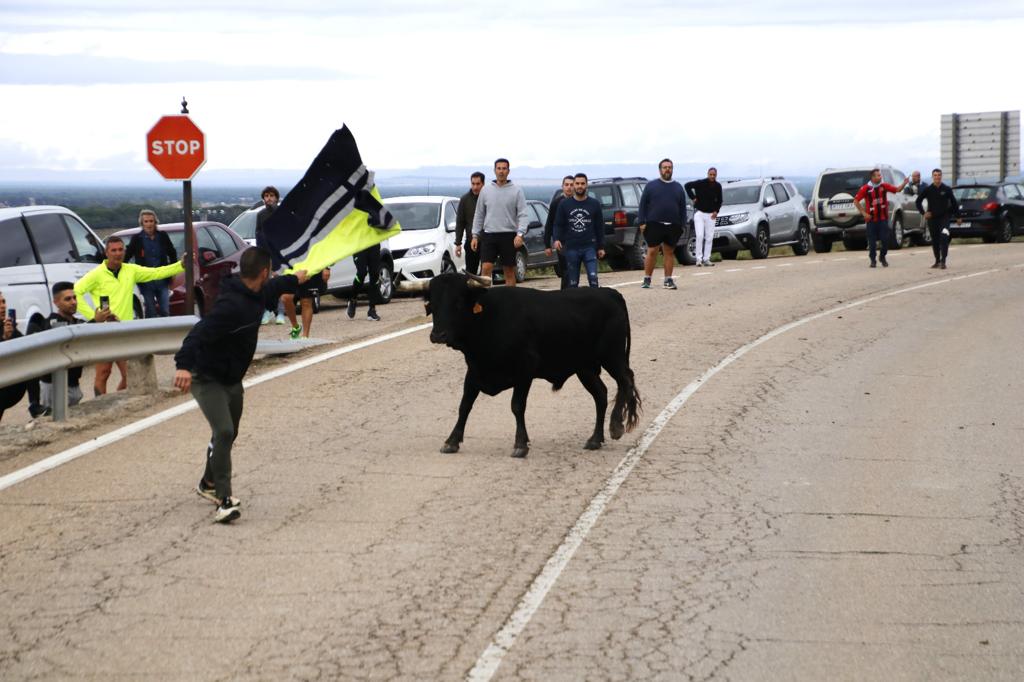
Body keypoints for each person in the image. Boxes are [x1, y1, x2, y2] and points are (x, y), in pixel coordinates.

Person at [173, 247, 308, 523]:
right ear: (263, 271)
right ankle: (224, 500)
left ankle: (207, 482)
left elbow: (280, 284)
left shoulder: (259, 292)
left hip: (232, 379)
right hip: (206, 377)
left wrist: (301, 278)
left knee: (229, 434)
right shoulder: (230, 306)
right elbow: (197, 334)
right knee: (223, 431)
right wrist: (183, 366)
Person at [75, 235, 185, 395]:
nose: (117, 253)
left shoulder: (130, 270)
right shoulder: (96, 274)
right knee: (103, 373)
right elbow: (77, 291)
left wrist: (180, 265)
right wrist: (94, 316)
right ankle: (101, 405)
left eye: (121, 250)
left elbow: (157, 272)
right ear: (106, 252)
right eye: (113, 250)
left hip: (124, 331)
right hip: (104, 332)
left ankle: (116, 401)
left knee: (129, 375)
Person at [26, 281, 115, 412]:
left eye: (74, 298)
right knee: (56, 423)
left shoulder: (78, 322)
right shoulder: (52, 322)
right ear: (56, 302)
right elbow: (69, 334)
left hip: (74, 385)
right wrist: (95, 321)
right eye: (67, 299)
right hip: (55, 385)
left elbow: (89, 335)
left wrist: (110, 323)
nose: (73, 302)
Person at [471, 158, 529, 286]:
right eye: (499, 168)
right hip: (489, 234)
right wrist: (475, 235)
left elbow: (523, 214)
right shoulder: (486, 190)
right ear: (494, 170)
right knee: (485, 268)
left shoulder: (517, 190)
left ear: (508, 171)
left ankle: (510, 301)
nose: (501, 171)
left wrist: (520, 234)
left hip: (508, 235)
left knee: (508, 271)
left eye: (504, 168)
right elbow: (479, 214)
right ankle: (484, 300)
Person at [638, 159, 688, 289]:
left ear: (672, 169)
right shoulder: (651, 186)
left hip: (673, 225)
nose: (667, 169)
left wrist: (682, 225)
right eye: (665, 167)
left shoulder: (678, 187)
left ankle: (668, 280)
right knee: (652, 250)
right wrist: (641, 221)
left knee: (669, 252)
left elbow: (682, 207)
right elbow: (643, 204)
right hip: (654, 223)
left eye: (670, 167)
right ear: (660, 169)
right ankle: (647, 279)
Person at [554, 173, 606, 288]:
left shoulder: (594, 204)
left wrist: (601, 246)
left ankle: (596, 303)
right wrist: (556, 239)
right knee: (573, 282)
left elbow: (599, 227)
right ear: (574, 185)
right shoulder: (564, 204)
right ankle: (574, 305)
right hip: (571, 247)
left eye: (582, 183)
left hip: (589, 247)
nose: (580, 186)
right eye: (577, 183)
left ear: (586, 185)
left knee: (593, 279)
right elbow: (558, 224)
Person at [125, 209, 178, 318]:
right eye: (146, 221)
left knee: (165, 310)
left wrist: (173, 272)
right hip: (146, 281)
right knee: (151, 311)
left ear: (155, 222)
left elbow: (172, 253)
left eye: (151, 221)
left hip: (162, 279)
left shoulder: (162, 236)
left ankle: (166, 332)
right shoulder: (137, 239)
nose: (149, 224)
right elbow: (127, 255)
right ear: (142, 223)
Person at [853, 168, 910, 268]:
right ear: (873, 177)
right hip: (871, 220)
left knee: (885, 240)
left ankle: (882, 256)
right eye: (878, 175)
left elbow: (897, 190)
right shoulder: (866, 188)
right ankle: (873, 260)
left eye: (880, 175)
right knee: (872, 242)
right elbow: (856, 201)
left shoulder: (883, 186)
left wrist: (904, 183)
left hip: (883, 219)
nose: (880, 177)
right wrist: (864, 213)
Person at [916, 168, 962, 270]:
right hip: (932, 219)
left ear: (941, 176)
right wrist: (924, 213)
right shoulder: (928, 189)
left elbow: (954, 203)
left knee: (944, 237)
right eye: (935, 175)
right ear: (932, 177)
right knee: (935, 241)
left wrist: (958, 216)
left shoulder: (946, 189)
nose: (937, 177)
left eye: (939, 175)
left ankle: (943, 261)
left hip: (944, 218)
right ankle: (937, 260)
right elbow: (918, 202)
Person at [255, 186, 287, 326]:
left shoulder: (282, 212)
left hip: (279, 255)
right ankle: (267, 311)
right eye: (266, 196)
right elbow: (258, 234)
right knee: (266, 285)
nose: (269, 198)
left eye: (271, 196)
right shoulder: (260, 214)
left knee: (279, 284)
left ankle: (280, 313)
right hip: (265, 255)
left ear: (276, 198)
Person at [0, 289, 31, 422]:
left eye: (3, 301)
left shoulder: (6, 326)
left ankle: (34, 403)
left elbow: (24, 347)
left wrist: (10, 335)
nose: (3, 306)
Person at [685, 167, 723, 268]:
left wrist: (716, 211)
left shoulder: (718, 186)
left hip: (711, 215)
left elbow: (720, 200)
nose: (712, 176)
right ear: (707, 174)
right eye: (710, 174)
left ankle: (707, 259)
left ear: (716, 175)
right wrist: (693, 197)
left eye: (714, 175)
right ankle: (698, 259)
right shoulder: (700, 183)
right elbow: (687, 186)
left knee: (709, 237)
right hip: (700, 213)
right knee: (700, 236)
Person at [282, 266, 331, 338]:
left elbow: (326, 254)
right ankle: (295, 327)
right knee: (286, 297)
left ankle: (305, 336)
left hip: (311, 266)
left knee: (306, 301)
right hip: (290, 266)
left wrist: (326, 267)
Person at [544, 175, 574, 289]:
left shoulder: (580, 201)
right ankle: (565, 294)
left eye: (571, 185)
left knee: (573, 269)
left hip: (577, 240)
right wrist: (547, 244)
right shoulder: (556, 203)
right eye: (566, 185)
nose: (569, 187)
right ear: (562, 186)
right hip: (561, 242)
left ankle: (573, 293)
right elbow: (550, 223)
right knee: (566, 269)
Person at [455, 172, 485, 276]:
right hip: (471, 241)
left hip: (488, 241)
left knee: (486, 271)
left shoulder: (489, 198)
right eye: (473, 184)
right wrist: (458, 243)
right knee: (470, 273)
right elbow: (460, 222)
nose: (475, 187)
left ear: (483, 184)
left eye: (478, 184)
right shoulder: (465, 200)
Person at [346, 245, 383, 322]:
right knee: (362, 273)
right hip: (359, 244)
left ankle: (372, 309)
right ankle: (353, 299)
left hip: (373, 244)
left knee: (375, 274)